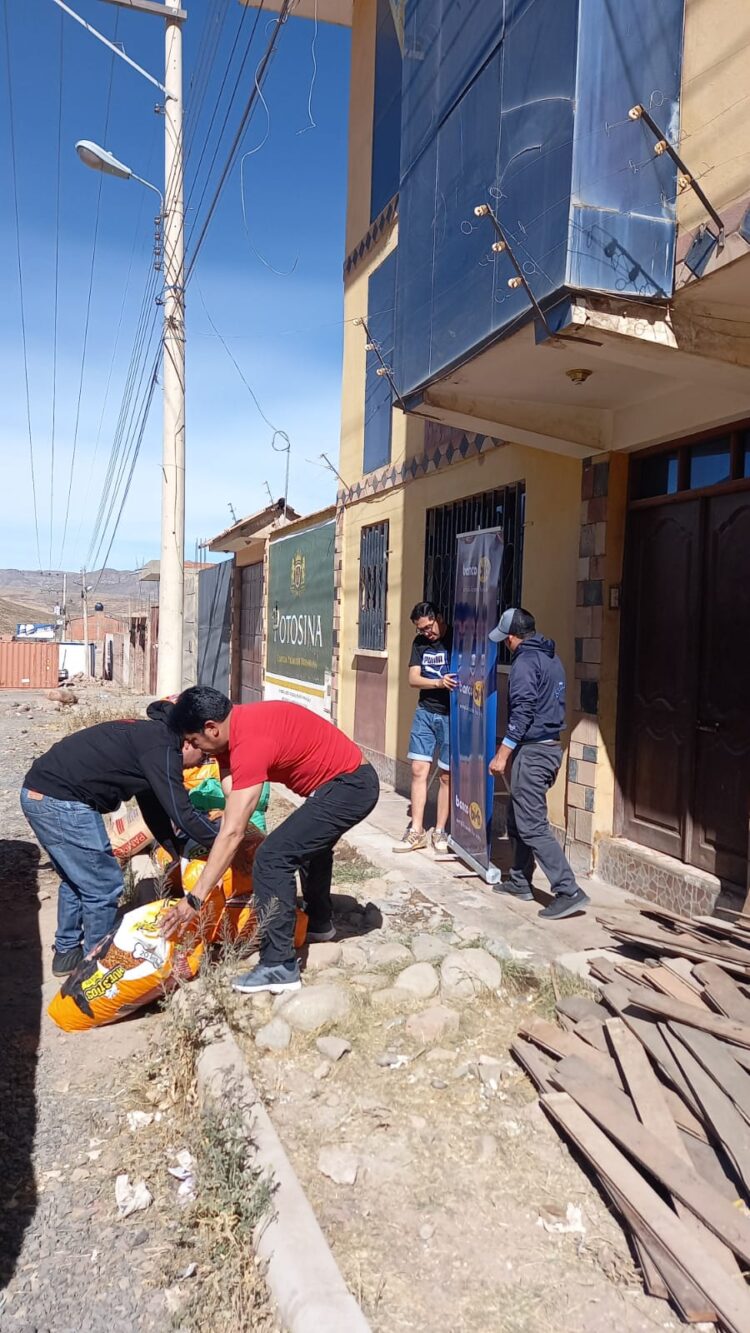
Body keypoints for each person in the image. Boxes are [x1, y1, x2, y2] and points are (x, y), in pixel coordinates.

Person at [161, 688, 380, 995]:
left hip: (352, 786)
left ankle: (279, 965)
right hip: (341, 783)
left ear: (211, 728)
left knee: (272, 858)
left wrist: (195, 898)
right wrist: (227, 834)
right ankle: (319, 923)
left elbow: (234, 830)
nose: (193, 749)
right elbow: (231, 798)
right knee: (304, 845)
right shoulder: (229, 732)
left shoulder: (250, 742)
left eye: (194, 741)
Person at [20, 701, 220, 976]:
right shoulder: (162, 748)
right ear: (189, 744)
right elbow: (182, 810)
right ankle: (97, 968)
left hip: (40, 794)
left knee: (77, 878)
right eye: (204, 756)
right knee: (103, 886)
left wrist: (177, 851)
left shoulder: (152, 739)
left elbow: (156, 811)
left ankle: (67, 953)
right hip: (61, 801)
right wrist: (224, 843)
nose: (200, 764)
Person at [488, 608, 590, 919]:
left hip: (534, 752)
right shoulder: (549, 656)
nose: (505, 643)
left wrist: (501, 755)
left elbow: (522, 715)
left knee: (532, 824)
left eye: (505, 638)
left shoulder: (525, 663)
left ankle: (568, 890)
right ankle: (520, 881)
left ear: (512, 637)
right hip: (546, 749)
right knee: (518, 818)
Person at [395, 601, 457, 854]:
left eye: (428, 627)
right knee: (419, 770)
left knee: (446, 775)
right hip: (425, 712)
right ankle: (416, 831)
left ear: (438, 618)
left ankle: (440, 830)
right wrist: (439, 683)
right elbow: (413, 678)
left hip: (451, 715)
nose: (426, 633)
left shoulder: (455, 639)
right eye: (421, 629)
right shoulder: (419, 644)